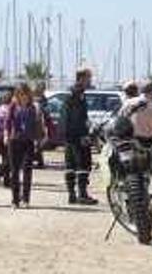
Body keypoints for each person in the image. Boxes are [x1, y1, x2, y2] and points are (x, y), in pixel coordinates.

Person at [61, 68, 98, 205]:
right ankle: (82, 194)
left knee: (70, 165)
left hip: (69, 136)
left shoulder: (71, 93)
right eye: (89, 78)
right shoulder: (77, 94)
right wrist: (84, 134)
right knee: (82, 164)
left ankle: (72, 194)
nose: (90, 80)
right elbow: (76, 118)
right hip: (77, 136)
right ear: (82, 78)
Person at [5, 84, 45, 209]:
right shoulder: (13, 107)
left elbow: (37, 124)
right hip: (14, 140)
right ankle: (15, 200)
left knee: (27, 170)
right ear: (17, 95)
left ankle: (26, 199)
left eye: (25, 94)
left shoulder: (33, 108)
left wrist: (39, 139)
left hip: (28, 141)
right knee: (15, 171)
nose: (23, 97)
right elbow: (8, 122)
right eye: (20, 94)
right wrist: (6, 136)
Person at [0, 92, 13, 187]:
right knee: (8, 159)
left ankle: (6, 179)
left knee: (5, 158)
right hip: (8, 137)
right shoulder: (11, 110)